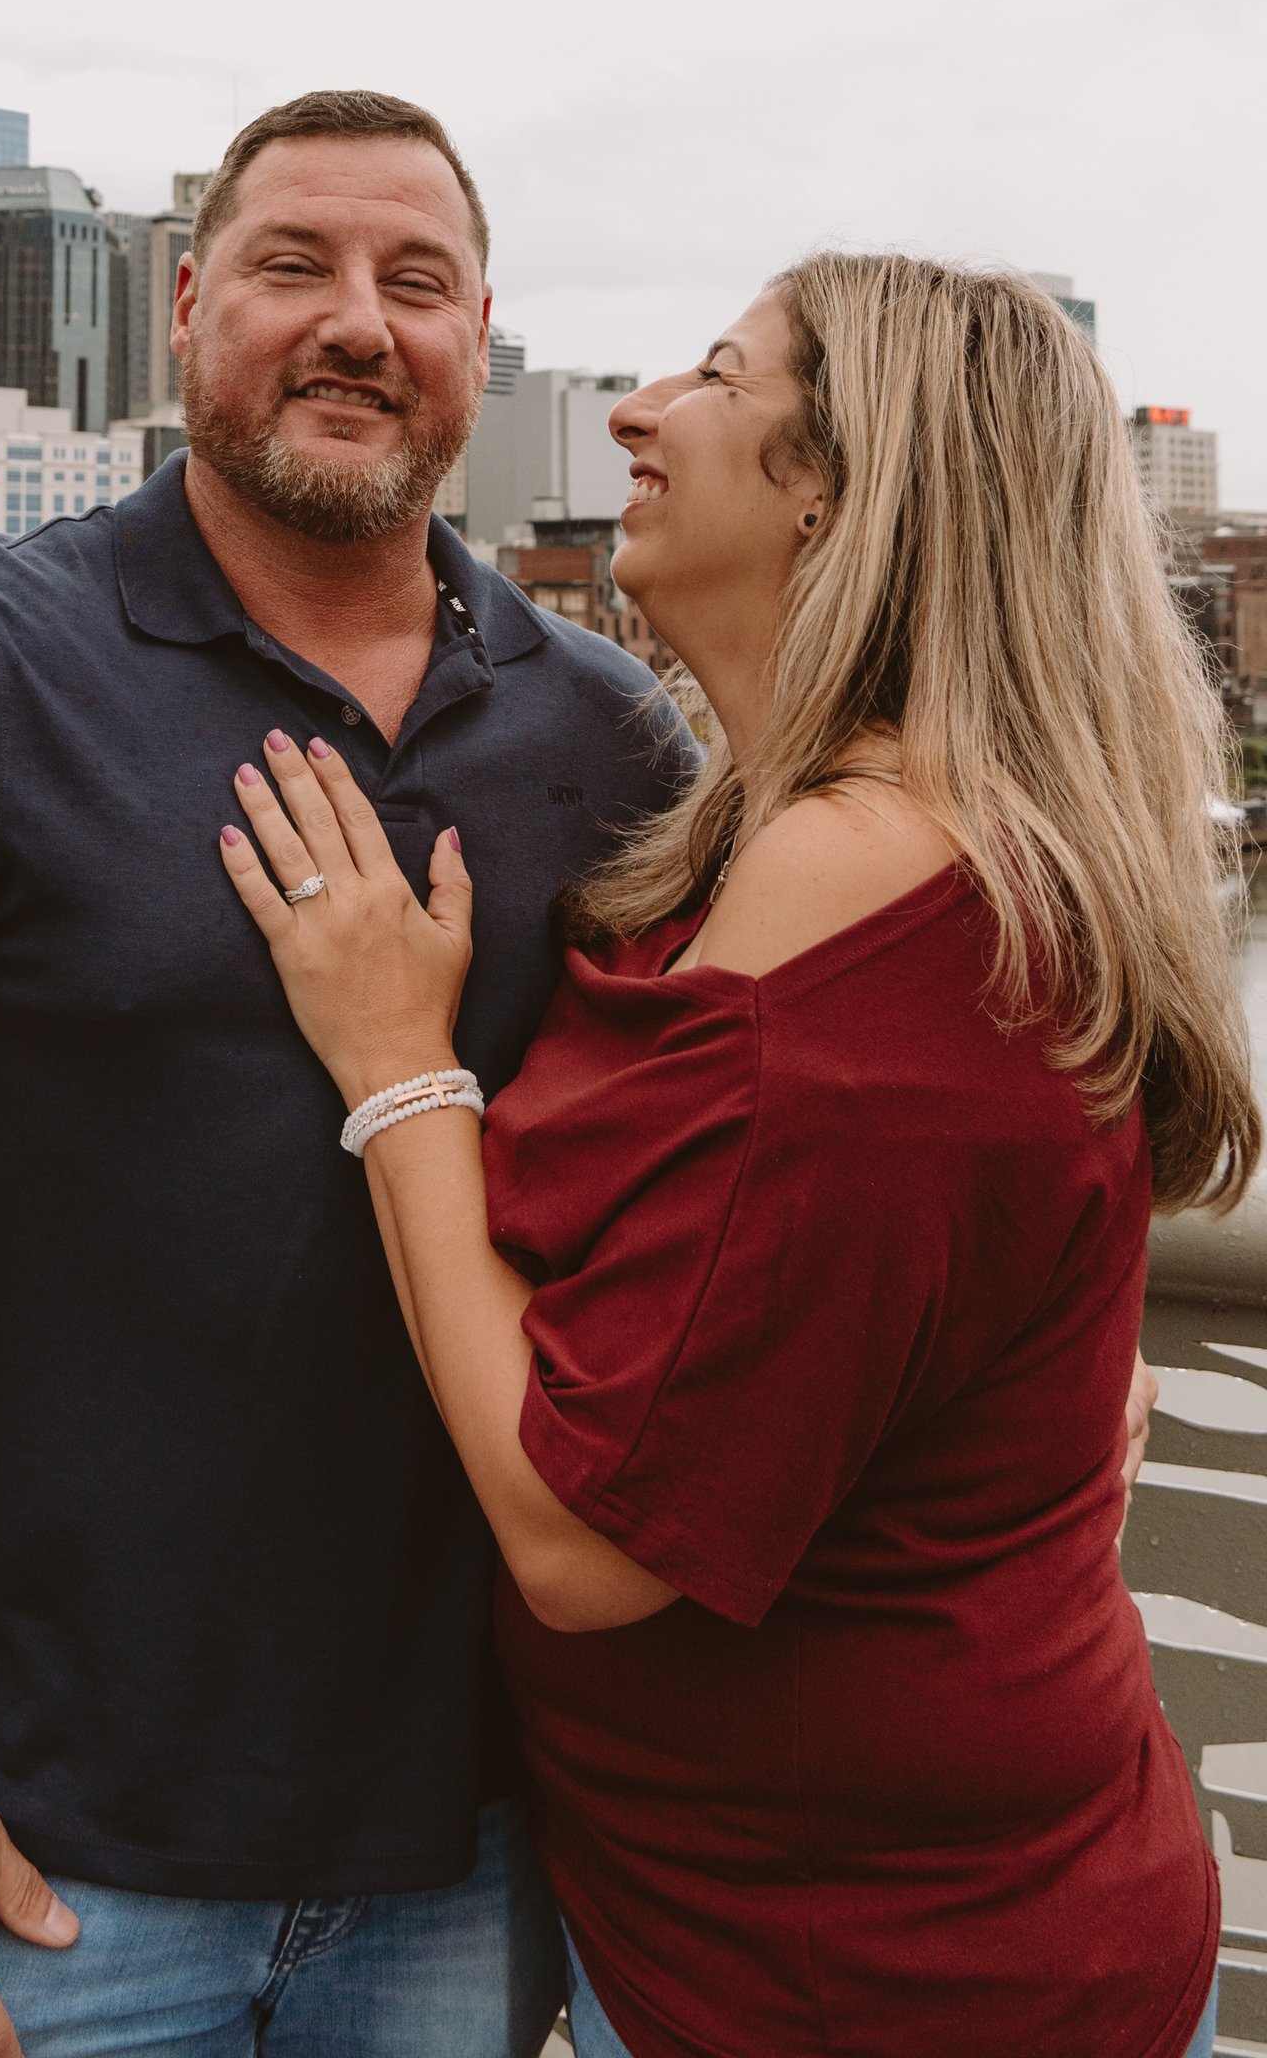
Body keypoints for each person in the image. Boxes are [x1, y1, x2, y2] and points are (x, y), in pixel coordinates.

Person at [0, 91, 695, 2058]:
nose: (360, 322)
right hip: (37, 1861)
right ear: (190, 306)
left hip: (472, 1852)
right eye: (297, 266)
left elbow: (746, 1163)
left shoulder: (614, 738)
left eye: (418, 282)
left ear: (482, 339)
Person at [218, 252, 1252, 2058]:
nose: (636, 410)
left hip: (884, 1983)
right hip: (737, 1912)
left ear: (836, 487)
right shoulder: (803, 847)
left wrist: (397, 1069)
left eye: (713, 373)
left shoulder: (868, 902)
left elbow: (582, 1544)